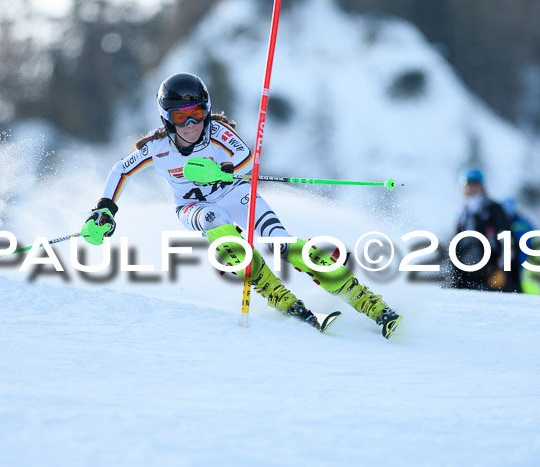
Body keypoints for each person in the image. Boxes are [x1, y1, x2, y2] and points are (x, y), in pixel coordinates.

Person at [80, 72, 401, 338]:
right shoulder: (158, 147)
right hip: (194, 208)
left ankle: (368, 302)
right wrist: (105, 210)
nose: (192, 123)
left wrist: (219, 171)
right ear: (167, 118)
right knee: (218, 226)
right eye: (181, 116)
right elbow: (120, 170)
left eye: (198, 113)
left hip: (235, 193)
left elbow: (247, 159)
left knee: (283, 244)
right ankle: (280, 296)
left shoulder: (218, 132)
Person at [450, 167, 521, 292]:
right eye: (468, 184)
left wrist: (503, 268)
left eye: (475, 184)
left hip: (490, 270)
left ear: (481, 186)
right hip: (466, 272)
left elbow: (506, 240)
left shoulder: (493, 209)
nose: (471, 188)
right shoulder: (464, 213)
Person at [501, 197, 540, 295]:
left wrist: (519, 267)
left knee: (529, 290)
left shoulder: (518, 226)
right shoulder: (522, 223)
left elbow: (524, 249)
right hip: (529, 264)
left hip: (527, 265)